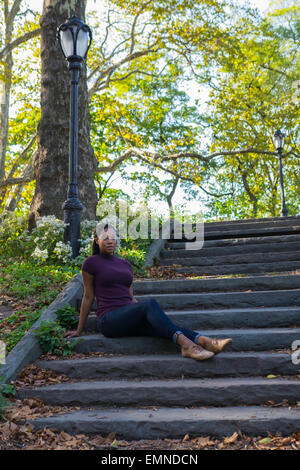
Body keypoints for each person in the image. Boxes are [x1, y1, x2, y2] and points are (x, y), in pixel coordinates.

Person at [64, 222, 232, 361]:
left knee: (162, 324)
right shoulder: (90, 263)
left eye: (114, 238)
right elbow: (88, 296)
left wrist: (144, 312)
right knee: (150, 304)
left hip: (127, 314)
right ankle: (188, 346)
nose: (110, 241)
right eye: (105, 238)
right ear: (96, 240)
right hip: (109, 320)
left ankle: (205, 341)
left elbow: (129, 296)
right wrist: (80, 329)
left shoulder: (125, 264)